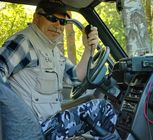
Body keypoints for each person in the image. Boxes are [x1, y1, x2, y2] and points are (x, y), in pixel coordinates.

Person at [0, 0, 117, 139]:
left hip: (50, 123)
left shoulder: (52, 50)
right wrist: (18, 118)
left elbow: (74, 77)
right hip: (35, 130)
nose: (58, 25)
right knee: (103, 108)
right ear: (36, 17)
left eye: (62, 22)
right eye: (52, 19)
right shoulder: (23, 42)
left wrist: (88, 49)